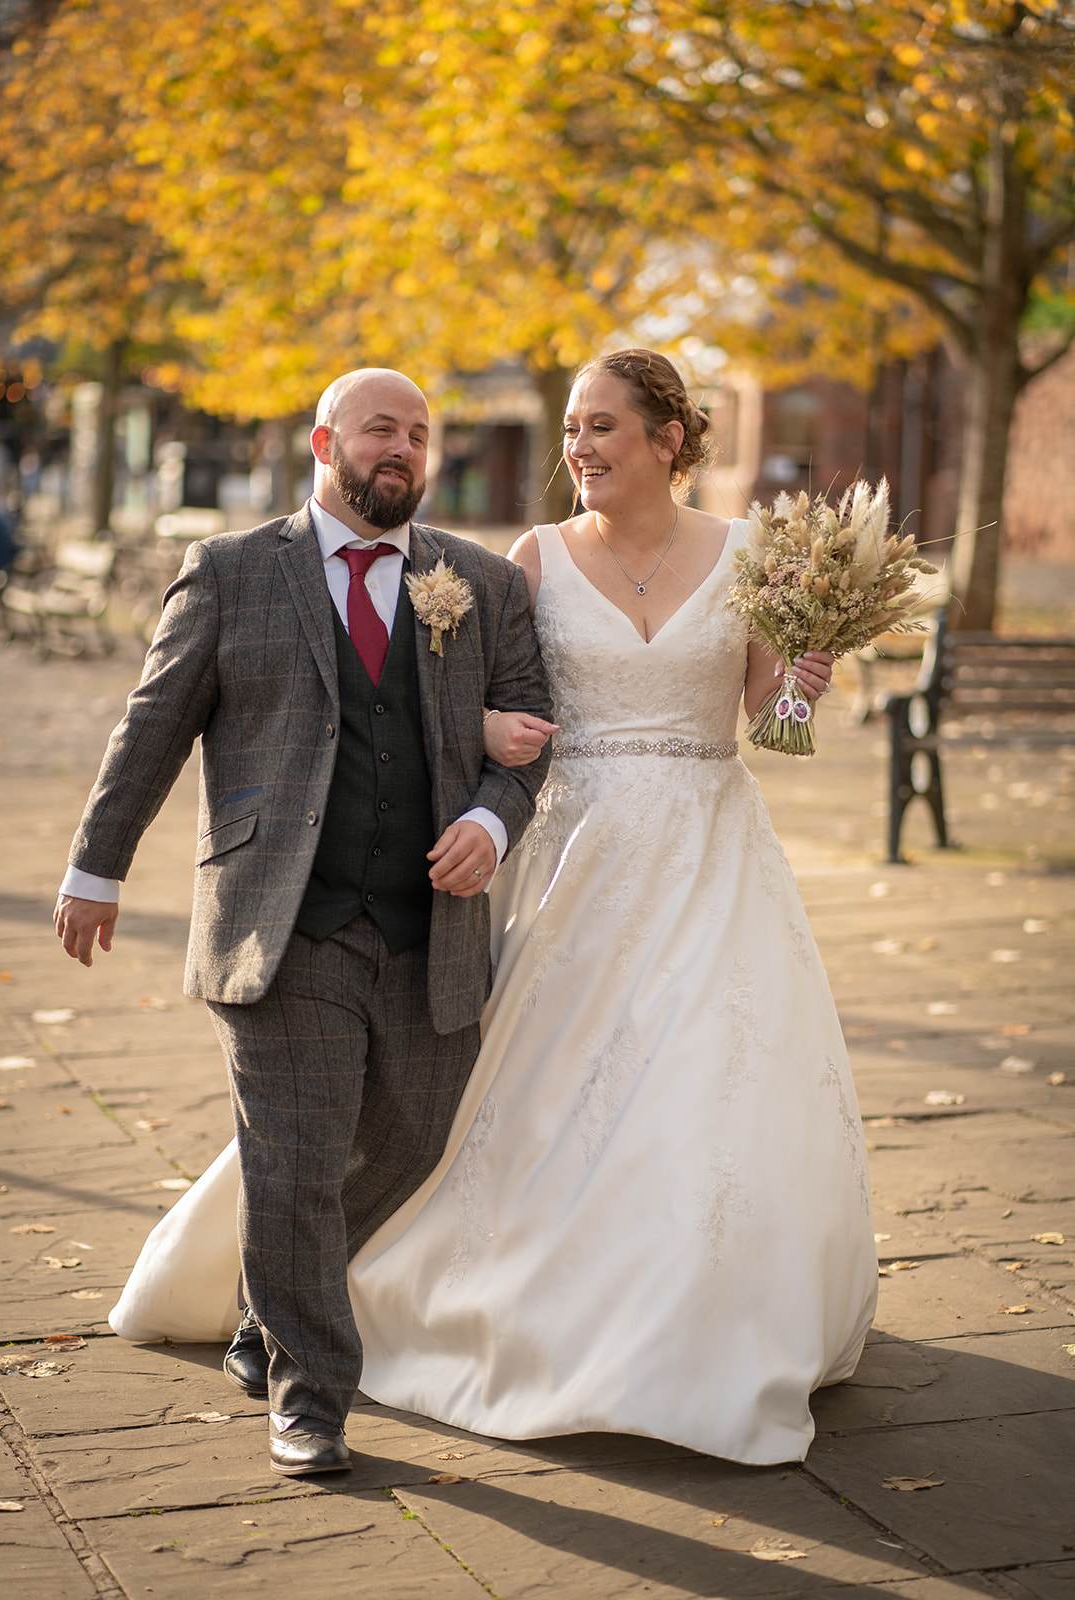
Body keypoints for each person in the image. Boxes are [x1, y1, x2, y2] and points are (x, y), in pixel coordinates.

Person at [107, 348, 877, 1466]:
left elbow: (768, 719)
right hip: (570, 860)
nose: (579, 449)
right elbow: (444, 702)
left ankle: (692, 1317)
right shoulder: (528, 561)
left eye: (603, 428)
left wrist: (805, 672)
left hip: (715, 859)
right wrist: (479, 737)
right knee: (496, 1095)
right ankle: (308, 1296)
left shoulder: (749, 555)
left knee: (712, 1083)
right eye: (570, 428)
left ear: (669, 439)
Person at [54, 368, 553, 1478]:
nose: (404, 450)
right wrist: (97, 864)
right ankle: (311, 1396)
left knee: (413, 1141)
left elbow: (533, 733)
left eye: (420, 435)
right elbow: (154, 727)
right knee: (295, 1157)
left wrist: (489, 815)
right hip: (280, 920)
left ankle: (267, 1306)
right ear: (324, 440)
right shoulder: (231, 573)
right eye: (383, 429)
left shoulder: (475, 584)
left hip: (432, 925)